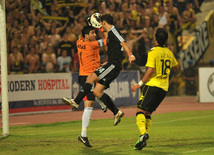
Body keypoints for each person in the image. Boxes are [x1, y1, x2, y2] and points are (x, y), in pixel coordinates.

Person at [63, 14, 136, 126]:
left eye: (101, 23)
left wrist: (130, 55)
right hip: (112, 63)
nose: (98, 30)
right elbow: (110, 42)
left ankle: (76, 102)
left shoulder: (80, 42)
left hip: (112, 64)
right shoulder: (95, 43)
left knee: (91, 78)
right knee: (97, 91)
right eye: (93, 32)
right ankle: (116, 112)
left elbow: (123, 43)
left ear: (104, 22)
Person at [131, 28, 179, 150]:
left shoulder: (153, 51)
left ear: (155, 39)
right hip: (163, 89)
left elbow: (150, 70)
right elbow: (176, 67)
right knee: (148, 113)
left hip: (152, 85)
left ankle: (143, 133)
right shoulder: (168, 52)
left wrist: (139, 84)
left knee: (140, 111)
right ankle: (142, 139)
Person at [69, 26, 108, 147]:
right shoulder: (93, 45)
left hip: (86, 75)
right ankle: (77, 102)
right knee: (90, 101)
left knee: (89, 104)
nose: (95, 35)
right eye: (92, 33)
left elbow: (83, 34)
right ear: (86, 36)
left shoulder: (79, 42)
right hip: (87, 78)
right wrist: (102, 28)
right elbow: (107, 40)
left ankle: (83, 135)